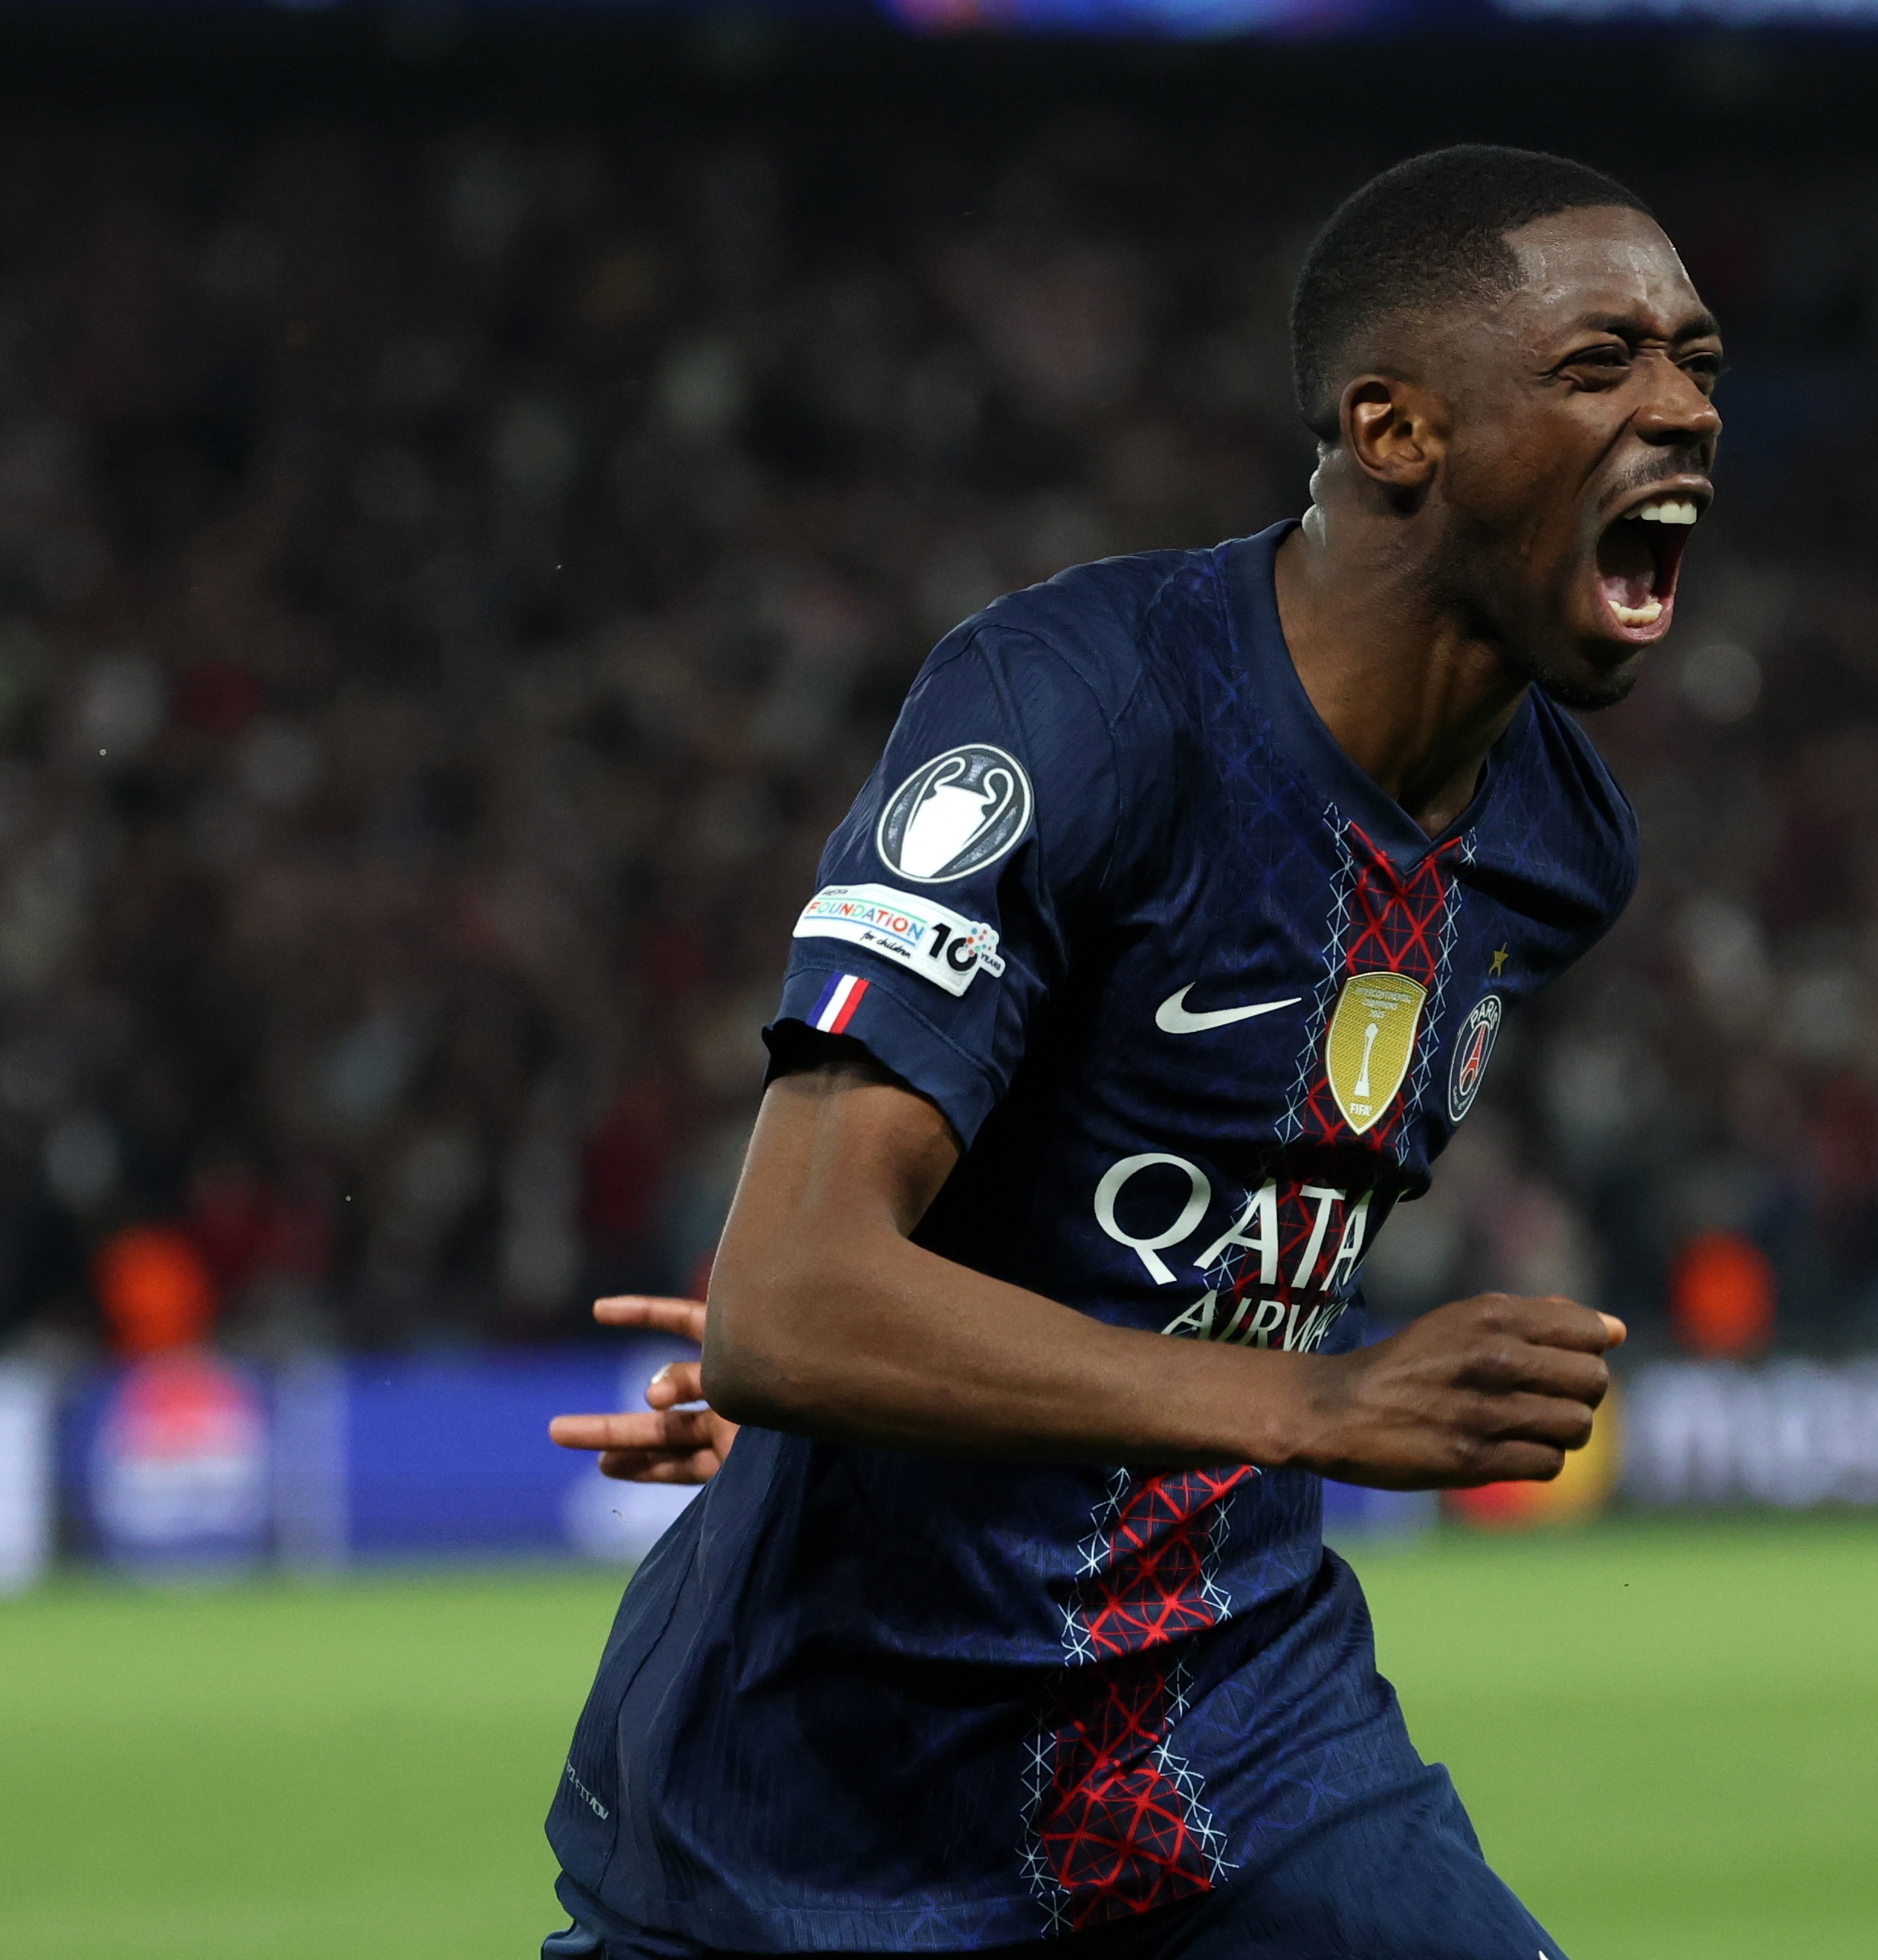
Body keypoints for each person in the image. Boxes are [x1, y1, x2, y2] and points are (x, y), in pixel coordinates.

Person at [535, 144, 1721, 1960]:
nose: (1681, 408)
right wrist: (1319, 1403)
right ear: (1390, 426)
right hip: (824, 1808)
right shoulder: (1075, 704)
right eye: (1602, 363)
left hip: (1243, 1742)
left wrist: (943, 1328)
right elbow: (788, 1300)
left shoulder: (1560, 844)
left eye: (1694, 362)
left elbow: (1159, 1226)